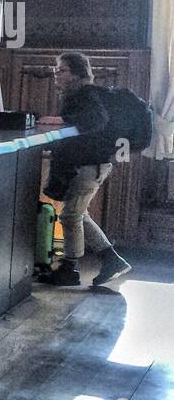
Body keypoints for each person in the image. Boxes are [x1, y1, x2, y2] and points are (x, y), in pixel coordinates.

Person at [37, 52, 132, 287]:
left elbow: (95, 120)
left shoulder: (86, 93)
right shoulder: (78, 94)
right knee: (79, 214)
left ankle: (70, 268)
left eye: (62, 70)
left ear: (76, 73)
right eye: (56, 70)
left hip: (90, 166)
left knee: (71, 215)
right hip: (90, 165)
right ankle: (111, 259)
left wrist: (60, 120)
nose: (56, 74)